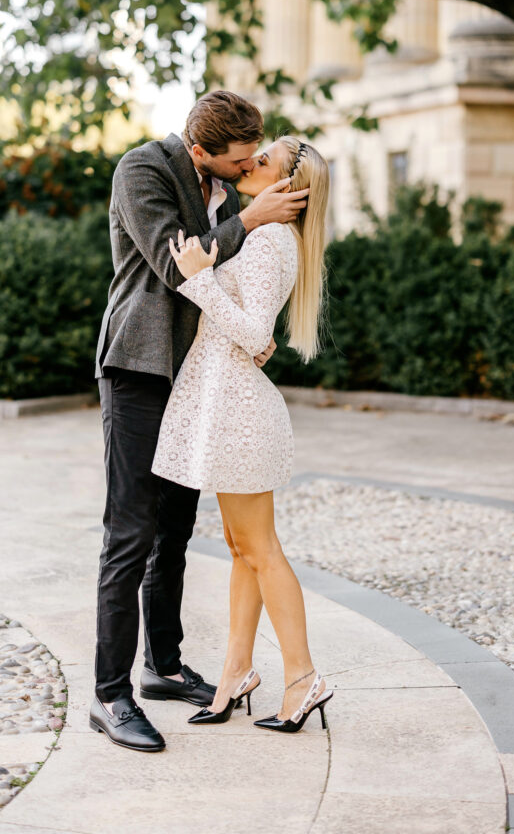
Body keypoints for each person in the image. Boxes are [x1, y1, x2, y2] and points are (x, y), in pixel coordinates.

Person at [90, 92, 310, 752]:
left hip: (195, 380)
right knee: (129, 531)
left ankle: (161, 666)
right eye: (237, 159)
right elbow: (174, 262)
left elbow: (236, 287)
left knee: (175, 532)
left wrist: (246, 335)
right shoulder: (142, 171)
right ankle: (109, 695)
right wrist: (257, 218)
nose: (246, 168)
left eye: (254, 157)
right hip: (138, 368)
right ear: (198, 151)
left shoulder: (222, 181)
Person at [151, 135, 333, 734]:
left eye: (265, 160)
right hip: (227, 408)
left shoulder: (271, 241)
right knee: (240, 548)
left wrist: (199, 279)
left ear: (290, 188)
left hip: (240, 415)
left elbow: (255, 334)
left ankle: (303, 679)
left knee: (261, 550)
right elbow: (255, 332)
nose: (251, 163)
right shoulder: (259, 235)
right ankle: (235, 674)